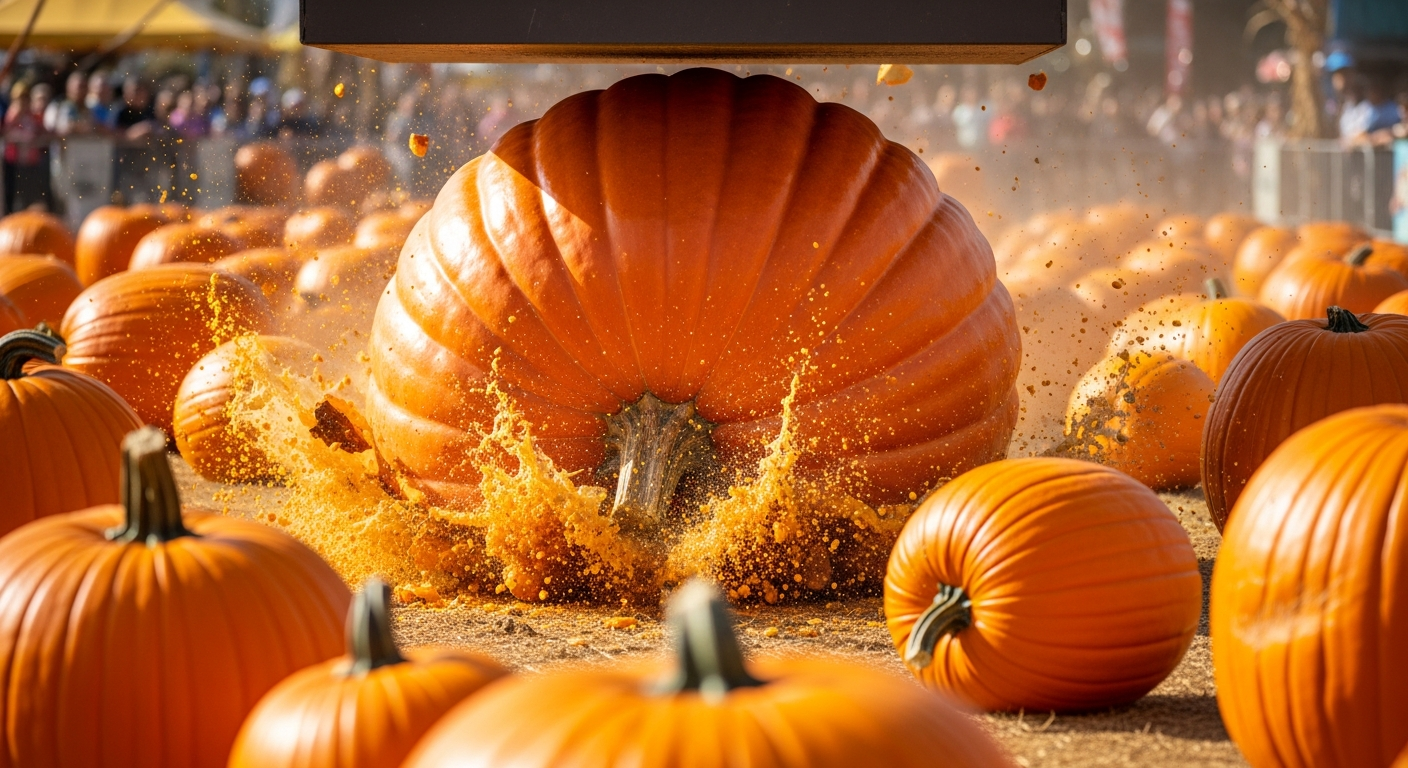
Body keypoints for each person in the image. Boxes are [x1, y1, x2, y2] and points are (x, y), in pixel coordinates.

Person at [3, 82, 54, 211]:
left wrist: (38, 139)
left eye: (26, 98)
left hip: (31, 162)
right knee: (14, 195)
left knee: (30, 194)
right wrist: (23, 139)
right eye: (21, 98)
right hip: (14, 162)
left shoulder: (32, 116)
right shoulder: (12, 116)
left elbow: (42, 133)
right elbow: (6, 135)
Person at [44, 71, 100, 136]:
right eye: (79, 87)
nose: (82, 91)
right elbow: (49, 130)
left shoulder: (91, 110)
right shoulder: (56, 107)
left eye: (84, 87)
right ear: (69, 87)